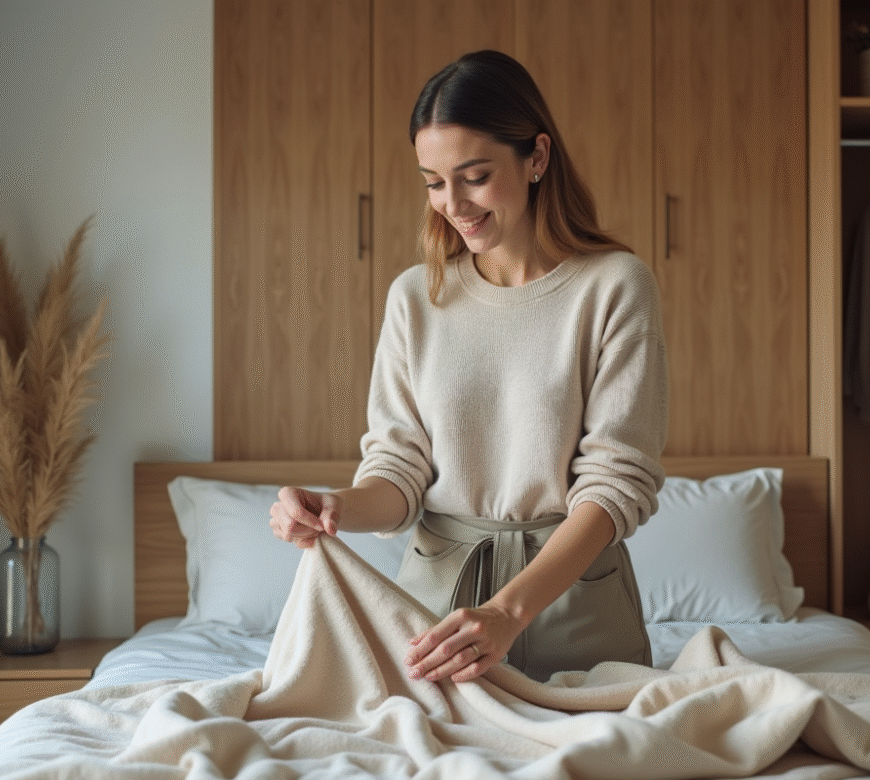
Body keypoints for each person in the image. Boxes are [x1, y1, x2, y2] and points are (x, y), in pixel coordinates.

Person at [270, 50, 667, 683]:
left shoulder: (615, 286)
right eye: (432, 181)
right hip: (434, 619)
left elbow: (616, 483)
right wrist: (336, 504)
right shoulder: (415, 297)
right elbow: (400, 473)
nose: (451, 203)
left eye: (474, 176)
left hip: (578, 610)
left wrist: (509, 612)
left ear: (536, 157)